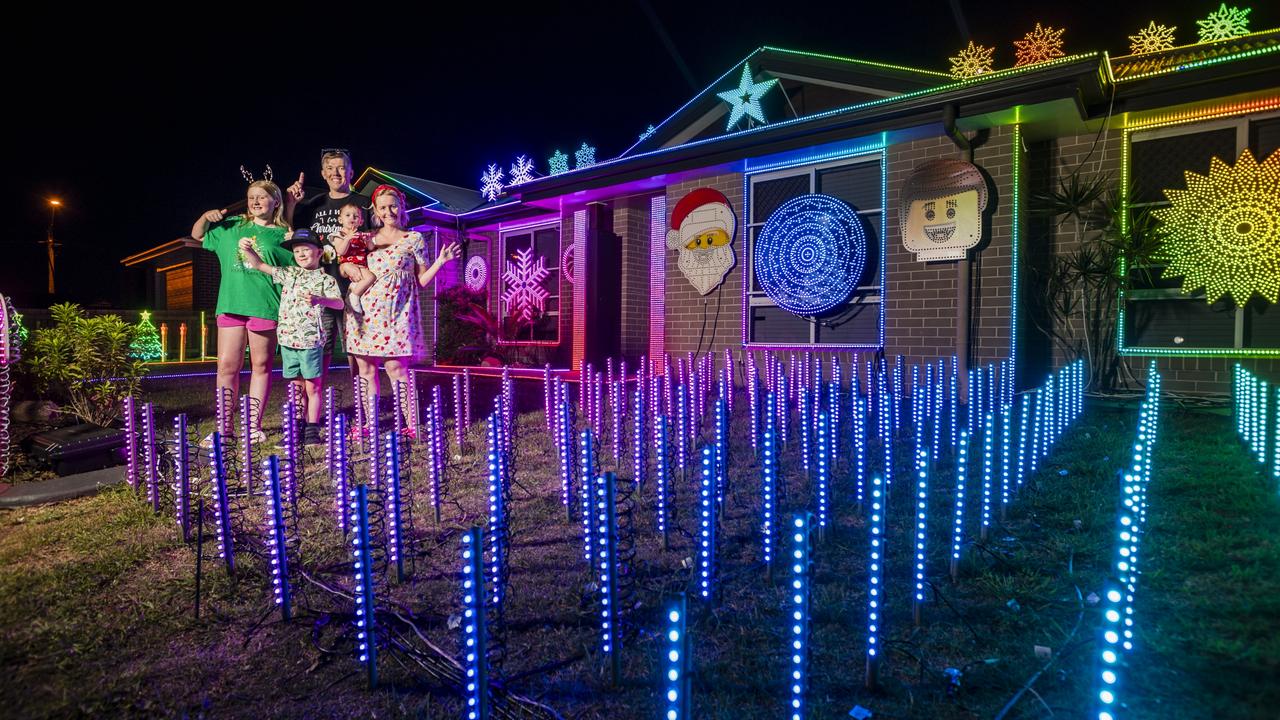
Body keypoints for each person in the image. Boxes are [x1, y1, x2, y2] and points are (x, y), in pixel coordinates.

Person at [344, 184, 458, 419]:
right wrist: (345, 266)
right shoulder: (367, 239)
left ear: (402, 206)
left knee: (396, 368)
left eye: (393, 206)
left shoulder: (414, 239)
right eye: (383, 207)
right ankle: (372, 424)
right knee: (366, 369)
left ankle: (411, 422)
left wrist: (441, 261)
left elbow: (423, 280)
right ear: (375, 209)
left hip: (398, 312)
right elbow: (346, 265)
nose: (389, 212)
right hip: (364, 311)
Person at [192, 179, 293, 445]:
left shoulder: (283, 234)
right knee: (226, 365)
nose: (256, 201)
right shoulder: (232, 226)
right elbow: (198, 235)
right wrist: (205, 216)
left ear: (276, 202)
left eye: (262, 197)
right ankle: (224, 429)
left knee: (261, 365)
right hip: (231, 303)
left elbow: (294, 268)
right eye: (252, 197)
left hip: (265, 304)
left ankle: (253, 427)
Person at [284, 149, 368, 425]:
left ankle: (362, 412)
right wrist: (291, 202)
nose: (336, 173)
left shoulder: (363, 204)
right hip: (321, 294)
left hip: (356, 292)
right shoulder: (312, 205)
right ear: (322, 174)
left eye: (341, 168)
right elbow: (288, 230)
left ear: (351, 172)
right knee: (320, 355)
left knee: (358, 355)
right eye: (330, 168)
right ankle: (308, 417)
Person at [238, 233, 343, 444]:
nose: (301, 254)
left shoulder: (325, 279)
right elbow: (259, 265)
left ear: (319, 252)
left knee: (312, 387)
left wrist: (320, 299)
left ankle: (312, 430)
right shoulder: (289, 273)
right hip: (288, 340)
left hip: (311, 340)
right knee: (295, 387)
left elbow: (339, 303)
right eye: (296, 251)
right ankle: (296, 428)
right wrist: (247, 250)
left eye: (306, 249)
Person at [330, 202, 378, 315]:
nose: (352, 218)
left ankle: (356, 294)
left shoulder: (361, 235)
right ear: (340, 220)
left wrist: (368, 240)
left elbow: (371, 248)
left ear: (360, 222)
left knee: (366, 282)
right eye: (347, 215)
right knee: (371, 277)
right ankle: (354, 295)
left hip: (362, 265)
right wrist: (347, 239)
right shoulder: (338, 235)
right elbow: (340, 251)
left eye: (355, 216)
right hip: (350, 265)